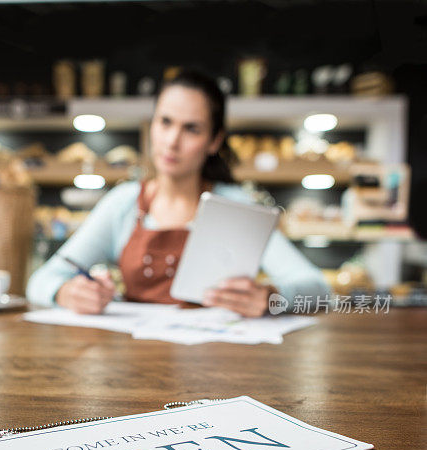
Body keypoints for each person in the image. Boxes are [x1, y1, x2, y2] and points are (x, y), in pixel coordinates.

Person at [27, 69, 330, 315]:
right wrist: (66, 292)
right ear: (153, 125)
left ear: (214, 141)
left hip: (219, 364)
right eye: (165, 122)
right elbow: (41, 280)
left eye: (192, 129)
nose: (172, 141)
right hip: (135, 363)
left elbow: (317, 288)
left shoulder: (236, 207)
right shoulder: (123, 204)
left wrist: (271, 299)